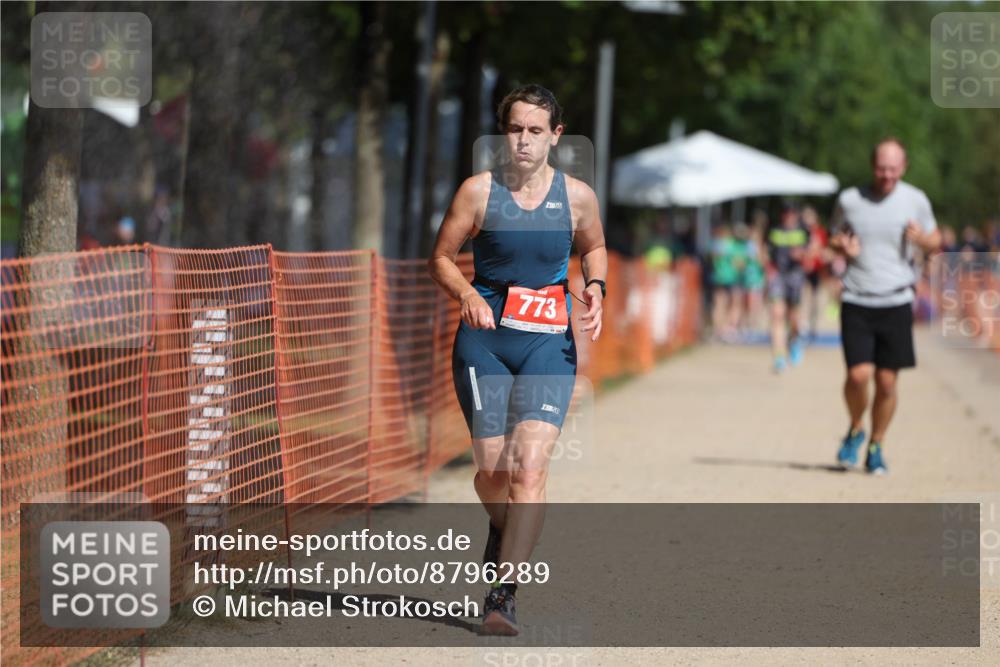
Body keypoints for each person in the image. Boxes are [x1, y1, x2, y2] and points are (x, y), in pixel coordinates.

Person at [428, 84, 607, 635]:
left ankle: (503, 594)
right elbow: (440, 258)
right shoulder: (477, 193)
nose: (524, 141)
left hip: (548, 341)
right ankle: (505, 531)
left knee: (529, 468)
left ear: (556, 135)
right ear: (502, 133)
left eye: (535, 131)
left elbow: (594, 245)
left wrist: (596, 284)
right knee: (491, 471)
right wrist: (467, 293)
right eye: (514, 129)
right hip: (485, 338)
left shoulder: (576, 197)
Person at [829, 137, 941, 474]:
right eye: (881, 168)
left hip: (896, 299)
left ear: (903, 167)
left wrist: (922, 239)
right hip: (857, 297)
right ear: (872, 165)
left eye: (893, 169)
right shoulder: (850, 200)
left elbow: (936, 240)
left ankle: (876, 444)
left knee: (888, 382)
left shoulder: (915, 199)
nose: (887, 175)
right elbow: (833, 236)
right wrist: (842, 247)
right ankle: (855, 427)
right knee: (857, 375)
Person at [764, 201, 810, 372]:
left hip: (795, 276)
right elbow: (764, 250)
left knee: (793, 317)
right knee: (776, 314)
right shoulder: (773, 230)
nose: (788, 216)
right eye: (785, 212)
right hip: (778, 276)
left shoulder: (803, 230)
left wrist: (803, 255)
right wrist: (766, 268)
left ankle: (795, 340)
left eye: (791, 212)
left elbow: (814, 250)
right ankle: (778, 357)